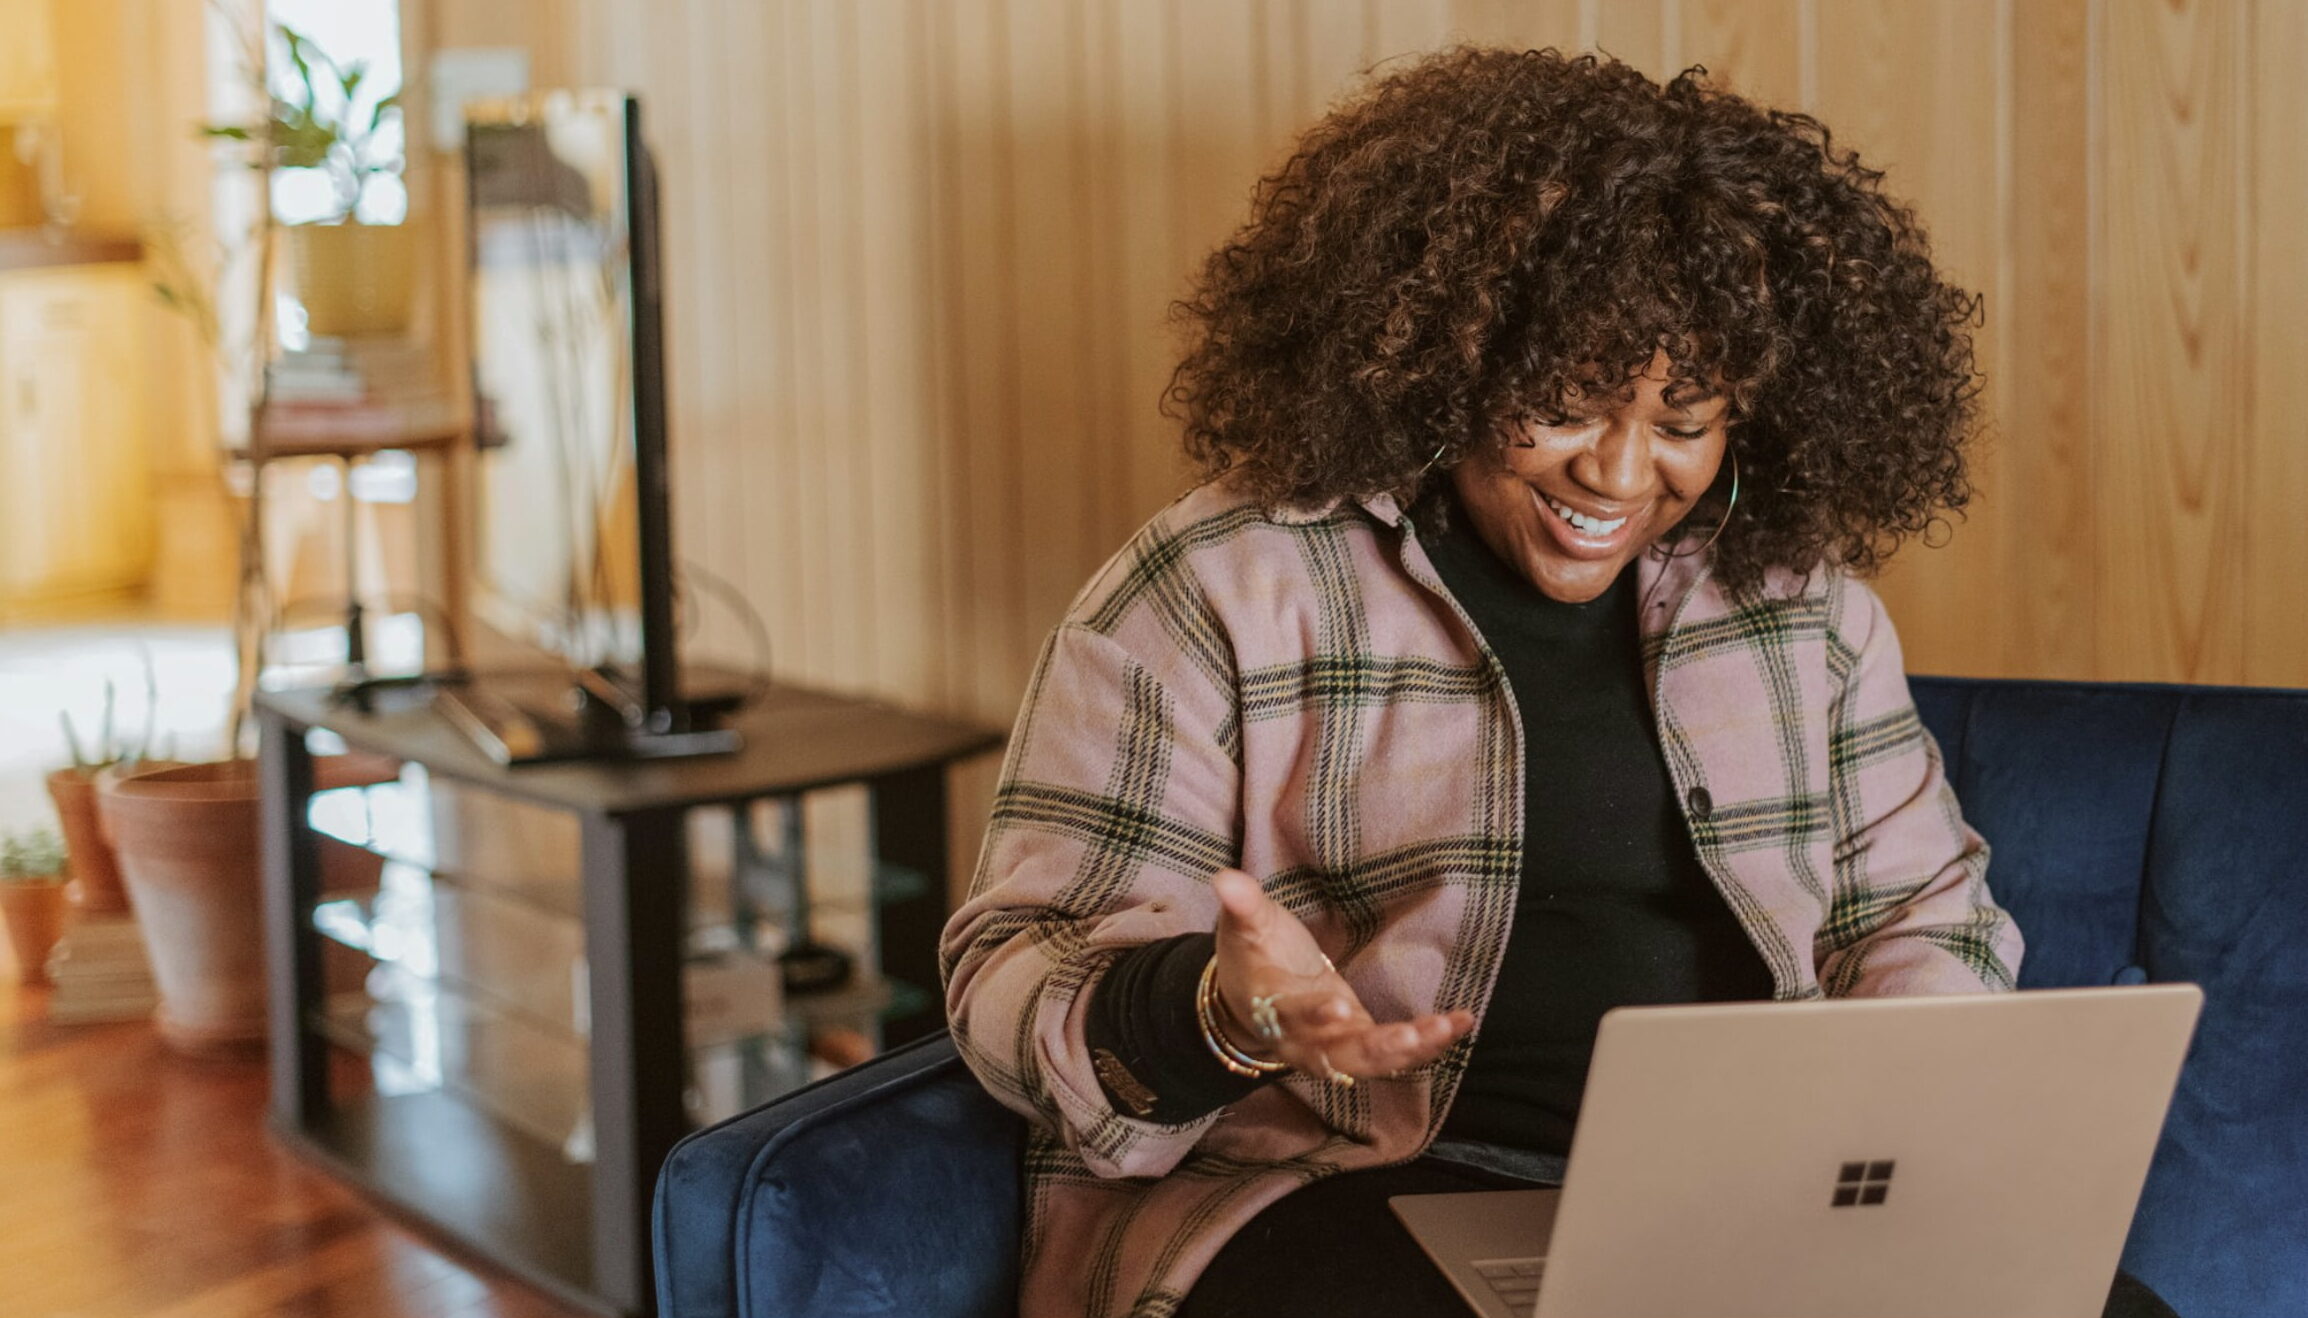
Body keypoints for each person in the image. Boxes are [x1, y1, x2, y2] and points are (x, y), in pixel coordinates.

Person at [940, 47, 2177, 1318]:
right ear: (1446, 359)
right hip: (1340, 1181)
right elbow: (1012, 970)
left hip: (1732, 1202)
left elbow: (1921, 914)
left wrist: (1885, 1121)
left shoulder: (1800, 611)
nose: (1621, 474)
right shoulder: (1220, 586)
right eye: (1569, 403)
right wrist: (1215, 1012)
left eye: (1684, 420)